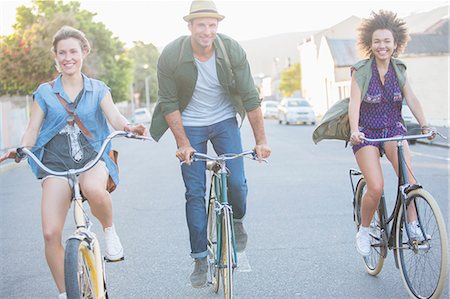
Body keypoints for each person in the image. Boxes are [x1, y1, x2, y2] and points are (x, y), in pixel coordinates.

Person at [0, 26, 147, 299]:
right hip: (55, 165)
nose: (68, 58)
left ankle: (110, 232)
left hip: (92, 160)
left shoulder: (98, 89)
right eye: (62, 53)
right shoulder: (44, 93)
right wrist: (22, 148)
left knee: (93, 188)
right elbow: (33, 128)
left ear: (84, 53)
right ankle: (66, 293)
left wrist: (129, 127)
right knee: (49, 232)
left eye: (73, 52)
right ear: (55, 57)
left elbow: (115, 118)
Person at [149, 0, 271, 288]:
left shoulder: (231, 50)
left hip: (224, 120)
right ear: (190, 26)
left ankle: (237, 221)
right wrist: (182, 143)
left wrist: (261, 140)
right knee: (194, 191)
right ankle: (200, 258)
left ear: (218, 26)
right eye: (201, 24)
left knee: (238, 183)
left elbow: (250, 96)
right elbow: (168, 102)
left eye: (212, 25)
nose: (207, 31)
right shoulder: (172, 55)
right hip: (188, 123)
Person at [348, 11, 434, 257]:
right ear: (370, 44)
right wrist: (355, 130)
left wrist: (425, 125)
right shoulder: (361, 70)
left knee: (410, 181)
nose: (382, 46)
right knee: (375, 187)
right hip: (366, 133)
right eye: (377, 41)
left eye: (387, 41)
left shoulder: (399, 69)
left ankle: (414, 226)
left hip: (393, 129)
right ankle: (364, 230)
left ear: (396, 43)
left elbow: (412, 99)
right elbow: (354, 104)